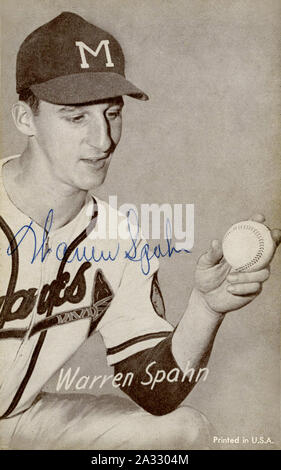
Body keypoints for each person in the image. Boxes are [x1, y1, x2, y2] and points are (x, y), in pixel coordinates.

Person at [0, 11, 280, 450]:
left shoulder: (118, 239)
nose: (104, 139)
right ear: (25, 119)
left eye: (111, 113)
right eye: (76, 118)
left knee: (183, 431)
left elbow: (155, 391)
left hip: (20, 421)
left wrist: (205, 309)